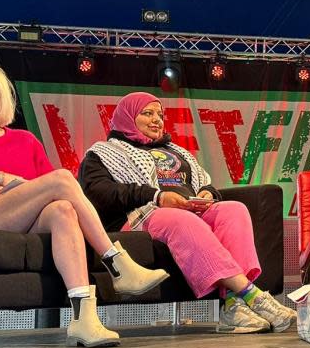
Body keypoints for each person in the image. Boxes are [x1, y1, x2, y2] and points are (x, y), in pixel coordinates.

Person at [0, 58, 169, 348]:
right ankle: (117, 263)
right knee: (62, 178)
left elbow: (52, 191)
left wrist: (22, 191)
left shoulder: (24, 141)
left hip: (21, 224)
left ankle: (84, 320)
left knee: (62, 209)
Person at [78, 92, 297, 334]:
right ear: (128, 117)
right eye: (147, 113)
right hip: (142, 213)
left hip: (188, 208)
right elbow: (99, 192)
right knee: (181, 220)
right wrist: (157, 196)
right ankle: (252, 295)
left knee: (234, 210)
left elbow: (202, 180)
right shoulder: (102, 154)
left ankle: (232, 307)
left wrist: (206, 193)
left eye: (160, 115)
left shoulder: (176, 150)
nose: (156, 120)